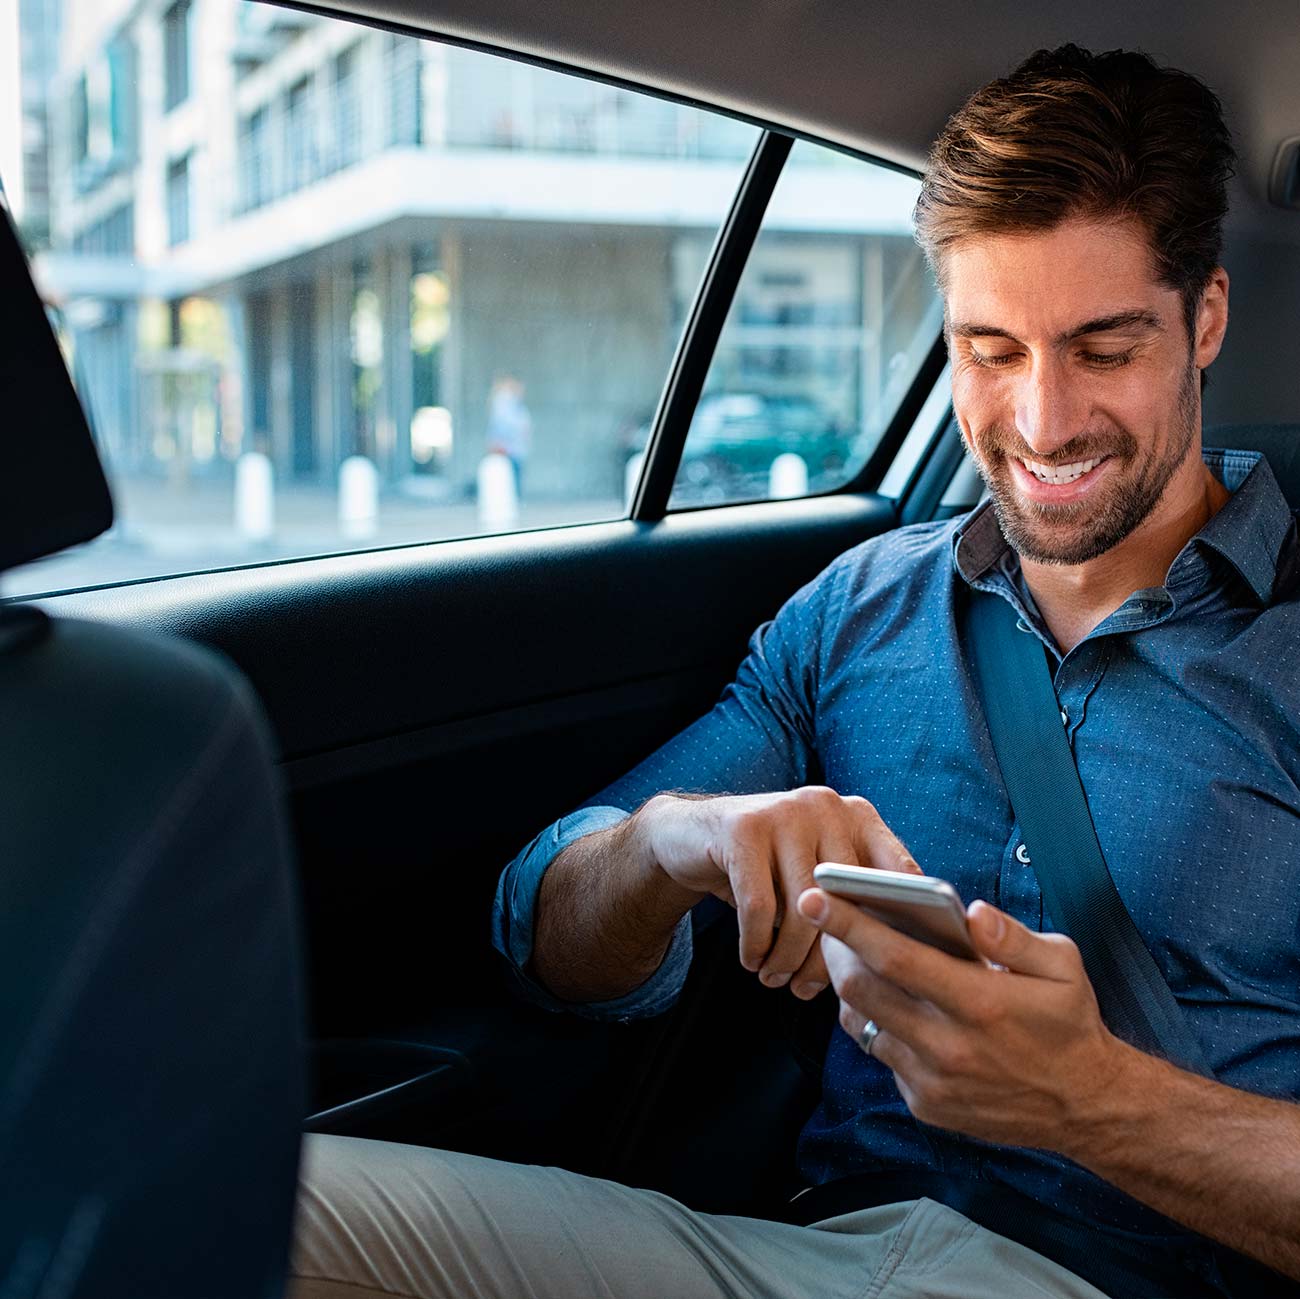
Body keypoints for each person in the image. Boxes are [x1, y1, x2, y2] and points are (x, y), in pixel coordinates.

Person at [289, 45, 1300, 1299]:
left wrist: (1091, 1103)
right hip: (806, 1254)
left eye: (1102, 349)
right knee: (247, 1200)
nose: (1041, 424)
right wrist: (678, 842)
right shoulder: (859, 610)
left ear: (1202, 318)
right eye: (990, 350)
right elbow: (540, 929)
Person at [485, 374, 532, 497]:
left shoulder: (512, 404)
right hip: (509, 448)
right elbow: (503, 426)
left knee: (512, 478)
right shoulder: (504, 403)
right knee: (510, 479)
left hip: (514, 448)